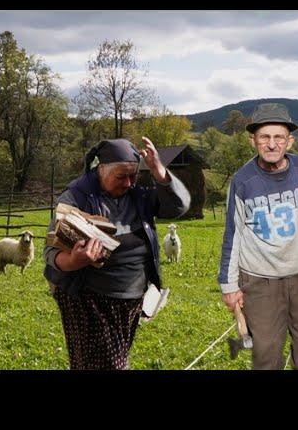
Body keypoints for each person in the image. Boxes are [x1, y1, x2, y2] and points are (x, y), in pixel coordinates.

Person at [43, 137, 190, 370]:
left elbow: (179, 206)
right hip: (88, 298)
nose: (130, 182)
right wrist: (74, 260)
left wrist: (158, 170)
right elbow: (51, 253)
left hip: (131, 299)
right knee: (110, 365)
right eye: (121, 176)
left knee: (96, 363)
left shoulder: (139, 195)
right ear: (100, 170)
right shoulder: (77, 197)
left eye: (133, 175)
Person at [218, 103, 298, 370]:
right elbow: (233, 234)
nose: (272, 144)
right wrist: (229, 286)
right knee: (265, 355)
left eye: (279, 137)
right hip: (260, 282)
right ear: (253, 141)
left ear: (290, 141)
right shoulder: (242, 181)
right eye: (264, 137)